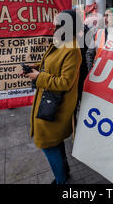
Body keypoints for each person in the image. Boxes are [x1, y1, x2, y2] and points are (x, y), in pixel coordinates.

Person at [24, 10, 82, 184]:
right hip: (48, 100)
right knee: (54, 141)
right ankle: (64, 171)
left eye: (57, 23)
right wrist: (34, 68)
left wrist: (39, 77)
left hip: (57, 105)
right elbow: (50, 64)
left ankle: (61, 180)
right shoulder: (59, 41)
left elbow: (65, 82)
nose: (53, 26)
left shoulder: (72, 48)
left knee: (47, 143)